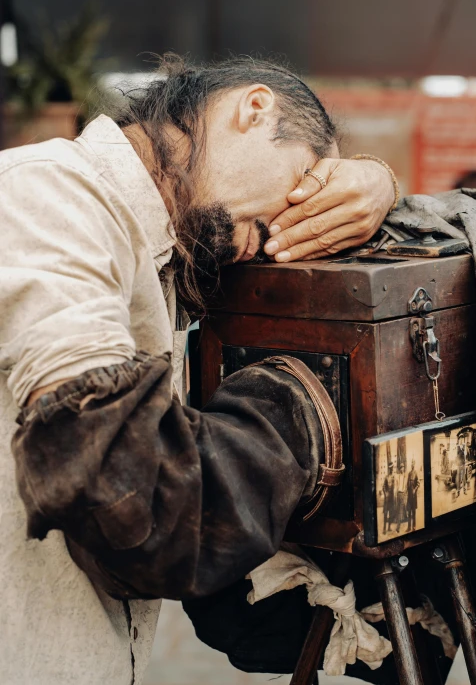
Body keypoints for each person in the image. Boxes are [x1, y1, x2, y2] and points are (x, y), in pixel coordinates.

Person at [0, 56, 396, 685]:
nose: (284, 231)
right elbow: (133, 504)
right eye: (301, 185)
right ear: (253, 108)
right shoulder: (51, 193)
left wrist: (379, 184)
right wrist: (297, 413)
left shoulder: (168, 260)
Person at [382, 462, 396, 535]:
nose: (391, 469)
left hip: (392, 498)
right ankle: (384, 528)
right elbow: (383, 487)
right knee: (385, 513)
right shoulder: (386, 477)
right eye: (390, 468)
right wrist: (385, 493)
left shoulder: (393, 477)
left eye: (392, 468)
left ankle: (389, 527)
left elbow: (395, 487)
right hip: (387, 499)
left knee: (391, 513)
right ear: (389, 468)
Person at [406, 459, 420, 532]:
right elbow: (407, 484)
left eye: (413, 463)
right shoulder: (409, 473)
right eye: (411, 463)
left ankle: (414, 527)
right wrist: (406, 491)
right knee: (409, 511)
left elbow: (418, 483)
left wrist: (415, 489)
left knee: (413, 512)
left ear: (414, 464)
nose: (412, 464)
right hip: (409, 496)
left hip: (414, 496)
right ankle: (409, 527)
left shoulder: (416, 473)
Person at [395, 464, 407, 534]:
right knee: (399, 509)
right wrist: (396, 494)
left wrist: (405, 493)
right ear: (400, 469)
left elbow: (405, 486)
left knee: (400, 510)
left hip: (402, 494)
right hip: (398, 494)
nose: (402, 469)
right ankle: (405, 519)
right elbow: (396, 485)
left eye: (403, 468)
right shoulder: (398, 476)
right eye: (401, 468)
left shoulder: (405, 476)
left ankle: (398, 527)